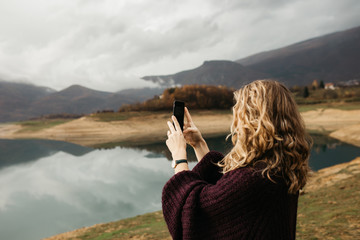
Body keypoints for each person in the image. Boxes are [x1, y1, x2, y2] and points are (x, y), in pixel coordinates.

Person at [162, 80, 312, 240]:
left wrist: (179, 156)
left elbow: (196, 212)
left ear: (251, 119)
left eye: (239, 111)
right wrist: (199, 144)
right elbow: (225, 190)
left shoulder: (255, 177)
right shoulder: (278, 165)